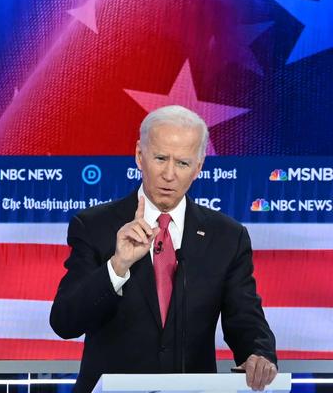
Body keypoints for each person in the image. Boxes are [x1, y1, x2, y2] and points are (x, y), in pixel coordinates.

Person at [50, 105, 277, 393]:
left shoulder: (227, 236)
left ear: (198, 167)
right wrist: (116, 267)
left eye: (182, 163)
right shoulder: (95, 226)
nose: (169, 174)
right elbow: (64, 322)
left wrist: (259, 355)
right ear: (139, 156)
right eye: (160, 158)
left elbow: (245, 317)